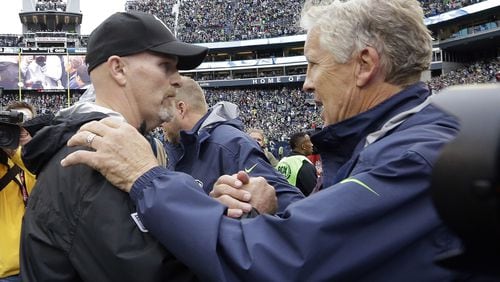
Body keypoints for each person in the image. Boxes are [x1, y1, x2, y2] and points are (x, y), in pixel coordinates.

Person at [61, 0, 478, 280]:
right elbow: (341, 236)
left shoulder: (415, 158)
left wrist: (146, 177)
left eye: (314, 65)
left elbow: (280, 260)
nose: (306, 84)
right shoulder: (390, 142)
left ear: (365, 64)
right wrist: (279, 206)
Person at [20, 11, 207, 281]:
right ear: (118, 69)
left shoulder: (112, 148)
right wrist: (229, 226)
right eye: (166, 66)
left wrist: (205, 213)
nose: (178, 79)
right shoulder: (93, 158)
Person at [161, 76, 301, 215]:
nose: (160, 122)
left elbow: (290, 205)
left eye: (164, 113)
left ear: (181, 108)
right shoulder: (179, 148)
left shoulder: (231, 144)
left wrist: (237, 220)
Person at [0, 102, 37, 282]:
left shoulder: (41, 162)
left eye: (27, 122)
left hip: (35, 264)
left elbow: (41, 176)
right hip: (7, 271)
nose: (21, 129)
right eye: (15, 124)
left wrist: (18, 153)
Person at [276, 131, 317, 196]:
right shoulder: (304, 164)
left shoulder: (281, 162)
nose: (312, 144)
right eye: (309, 142)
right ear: (303, 146)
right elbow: (315, 193)